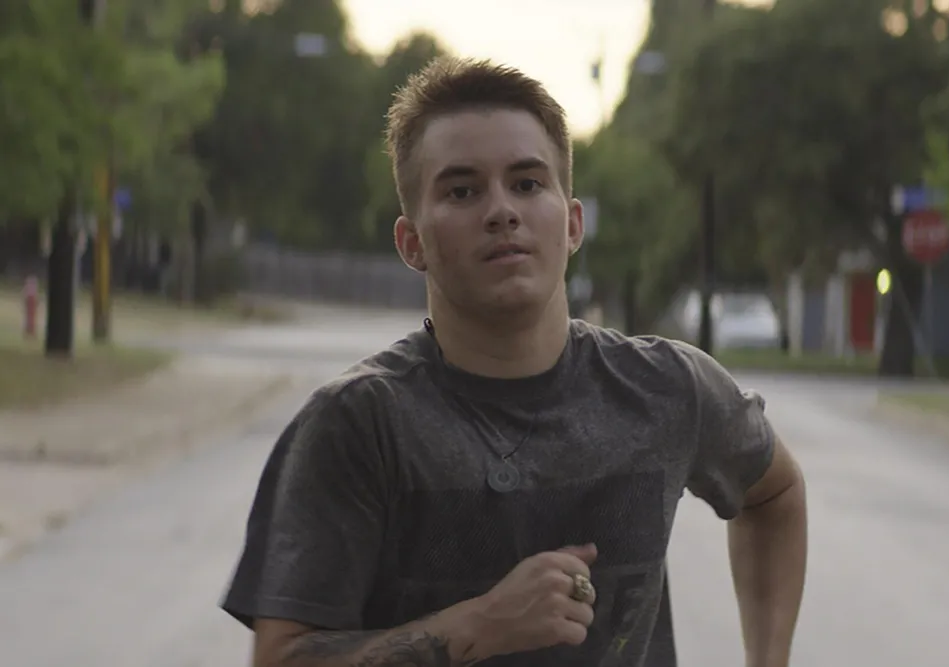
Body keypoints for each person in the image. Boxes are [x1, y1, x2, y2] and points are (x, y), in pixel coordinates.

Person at [221, 57, 808, 667]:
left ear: (572, 222)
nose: (501, 210)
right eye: (462, 191)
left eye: (527, 183)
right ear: (411, 242)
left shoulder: (667, 389)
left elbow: (775, 491)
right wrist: (481, 624)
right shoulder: (357, 422)